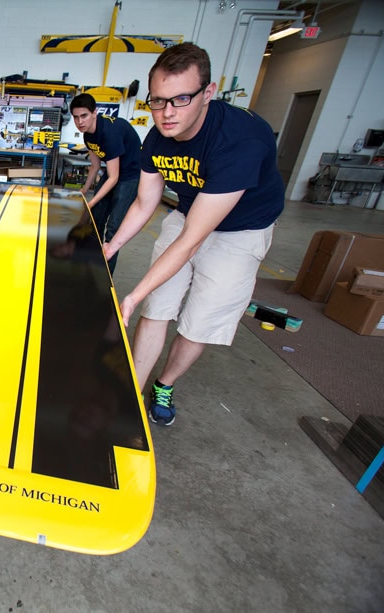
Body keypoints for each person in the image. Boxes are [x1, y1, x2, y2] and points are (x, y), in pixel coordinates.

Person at [102, 43, 284, 426]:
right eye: (158, 101)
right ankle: (129, 392)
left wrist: (132, 294)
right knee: (158, 306)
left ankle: (164, 383)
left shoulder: (239, 140)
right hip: (188, 214)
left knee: (201, 320)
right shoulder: (156, 138)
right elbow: (144, 202)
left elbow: (191, 242)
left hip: (241, 230)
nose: (167, 113)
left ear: (209, 92)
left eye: (181, 99)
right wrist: (112, 245)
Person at [60, 94, 142, 273]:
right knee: (96, 218)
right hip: (114, 172)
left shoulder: (109, 134)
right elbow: (95, 166)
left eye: (84, 116)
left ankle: (105, 277)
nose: (80, 122)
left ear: (94, 113)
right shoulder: (88, 136)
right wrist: (84, 189)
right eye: (76, 117)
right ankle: (91, 261)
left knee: (114, 228)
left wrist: (92, 201)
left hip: (131, 175)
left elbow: (114, 177)